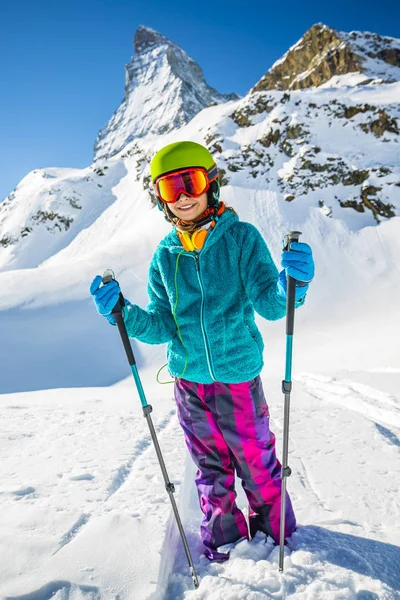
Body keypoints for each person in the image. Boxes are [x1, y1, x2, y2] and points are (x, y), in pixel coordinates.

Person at [90, 141, 314, 561]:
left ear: (210, 183)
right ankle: (225, 540)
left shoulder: (241, 240)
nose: (183, 196)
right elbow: (160, 325)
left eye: (189, 182)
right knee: (211, 472)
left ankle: (277, 535)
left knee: (258, 464)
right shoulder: (164, 257)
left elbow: (269, 301)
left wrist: (291, 286)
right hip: (189, 385)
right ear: (160, 198)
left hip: (238, 379)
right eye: (170, 188)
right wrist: (122, 312)